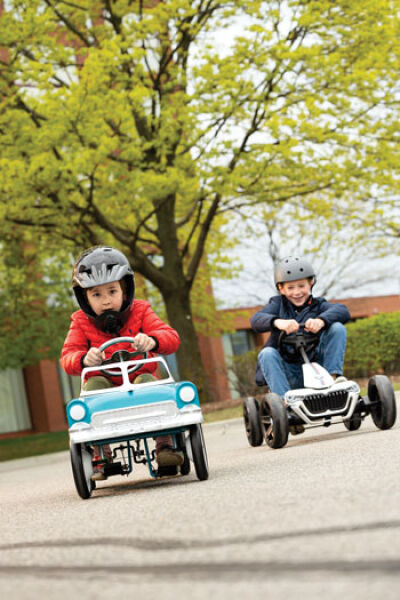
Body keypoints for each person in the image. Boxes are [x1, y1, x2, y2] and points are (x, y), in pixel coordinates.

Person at [60, 246, 183, 480]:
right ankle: (101, 452)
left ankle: (165, 446)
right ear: (84, 298)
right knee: (93, 384)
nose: (106, 301)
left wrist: (152, 340)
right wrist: (84, 359)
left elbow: (172, 338)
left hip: (140, 381)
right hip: (105, 387)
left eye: (112, 291)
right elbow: (67, 358)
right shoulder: (80, 322)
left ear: (125, 290)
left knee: (150, 382)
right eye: (96, 295)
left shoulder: (141, 310)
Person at [251, 256, 351, 405]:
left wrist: (321, 320)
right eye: (290, 288)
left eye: (301, 286)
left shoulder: (318, 305)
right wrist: (278, 322)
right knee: (267, 353)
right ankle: (284, 403)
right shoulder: (277, 305)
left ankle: (332, 380)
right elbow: (256, 320)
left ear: (310, 283)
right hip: (289, 373)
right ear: (281, 289)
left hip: (318, 371)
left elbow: (343, 311)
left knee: (337, 328)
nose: (297, 292)